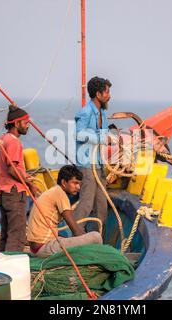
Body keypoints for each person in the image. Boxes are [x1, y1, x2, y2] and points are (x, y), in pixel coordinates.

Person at [0, 105, 40, 252]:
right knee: (17, 235)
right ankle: (12, 267)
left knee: (6, 235)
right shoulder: (14, 142)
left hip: (3, 193)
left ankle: (1, 265)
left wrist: (24, 175)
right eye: (25, 123)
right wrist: (29, 184)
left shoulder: (1, 140)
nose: (28, 126)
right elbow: (12, 169)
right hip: (14, 193)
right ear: (17, 123)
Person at [27, 165, 103, 258]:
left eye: (79, 184)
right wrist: (86, 239)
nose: (78, 187)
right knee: (96, 237)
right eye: (75, 183)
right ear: (63, 182)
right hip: (44, 247)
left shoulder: (53, 191)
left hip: (37, 248)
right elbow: (76, 231)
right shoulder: (60, 194)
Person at [73, 76, 112, 234]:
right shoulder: (86, 112)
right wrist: (101, 139)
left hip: (99, 165)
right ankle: (76, 238)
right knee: (86, 205)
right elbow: (79, 134)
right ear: (98, 94)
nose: (109, 95)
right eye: (107, 92)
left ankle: (96, 241)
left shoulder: (103, 112)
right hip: (87, 165)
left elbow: (106, 134)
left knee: (102, 207)